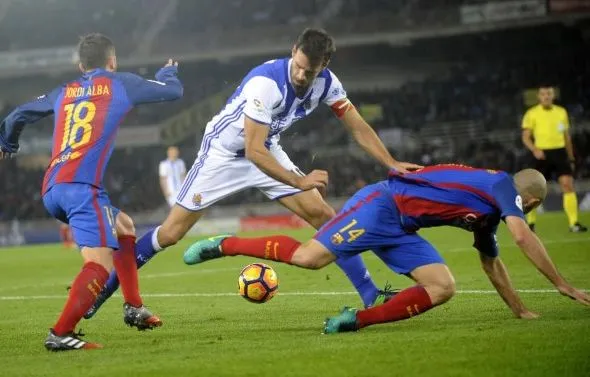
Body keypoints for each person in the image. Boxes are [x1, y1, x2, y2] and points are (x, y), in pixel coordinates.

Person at [85, 27, 420, 318]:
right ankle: (103, 291)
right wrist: (300, 181)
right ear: (293, 53)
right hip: (224, 154)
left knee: (324, 215)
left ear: (324, 66)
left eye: (311, 70)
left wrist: (390, 162)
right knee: (171, 234)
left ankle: (370, 294)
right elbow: (252, 151)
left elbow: (358, 127)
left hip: (265, 147)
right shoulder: (266, 84)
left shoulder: (327, 84)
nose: (302, 75)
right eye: (299, 66)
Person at [184, 165, 590, 334]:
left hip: (403, 228)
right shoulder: (502, 185)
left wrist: (519, 310)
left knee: (442, 285)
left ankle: (356, 320)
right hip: (381, 205)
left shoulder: (486, 216)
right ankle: (225, 244)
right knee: (309, 258)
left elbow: (493, 263)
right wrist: (563, 285)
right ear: (532, 203)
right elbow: (522, 237)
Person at [0, 33, 183, 350]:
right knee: (99, 265)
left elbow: (18, 114)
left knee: (124, 225)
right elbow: (174, 92)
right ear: (113, 62)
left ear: (80, 65)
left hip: (53, 187)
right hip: (81, 189)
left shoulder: (65, 90)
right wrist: (168, 73)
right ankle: (60, 333)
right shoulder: (121, 82)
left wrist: (7, 143)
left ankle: (134, 307)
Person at [521, 85, 587, 233]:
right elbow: (525, 137)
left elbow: (566, 137)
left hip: (560, 152)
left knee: (567, 185)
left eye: (549, 94)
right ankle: (531, 224)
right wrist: (535, 149)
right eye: (543, 94)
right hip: (541, 153)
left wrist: (570, 157)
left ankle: (573, 223)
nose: (546, 96)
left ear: (553, 96)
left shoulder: (561, 112)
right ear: (539, 96)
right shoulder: (531, 113)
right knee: (534, 190)